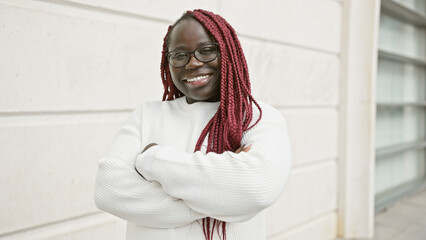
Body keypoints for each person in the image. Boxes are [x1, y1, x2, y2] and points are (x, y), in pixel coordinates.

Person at [94, 9, 292, 240]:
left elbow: (256, 190)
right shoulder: (147, 115)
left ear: (229, 53)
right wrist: (218, 202)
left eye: (207, 51)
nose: (193, 63)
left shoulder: (256, 117)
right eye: (179, 55)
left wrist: (152, 159)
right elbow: (108, 192)